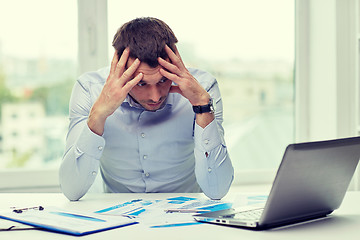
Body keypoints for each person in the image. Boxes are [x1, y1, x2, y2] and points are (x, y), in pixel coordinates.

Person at [59, 17, 234, 201]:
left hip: (186, 216)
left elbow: (218, 189)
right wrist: (99, 114)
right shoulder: (89, 88)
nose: (155, 96)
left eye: (163, 80)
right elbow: (72, 190)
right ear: (119, 68)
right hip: (118, 219)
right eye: (141, 83)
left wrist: (202, 106)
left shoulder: (203, 88)